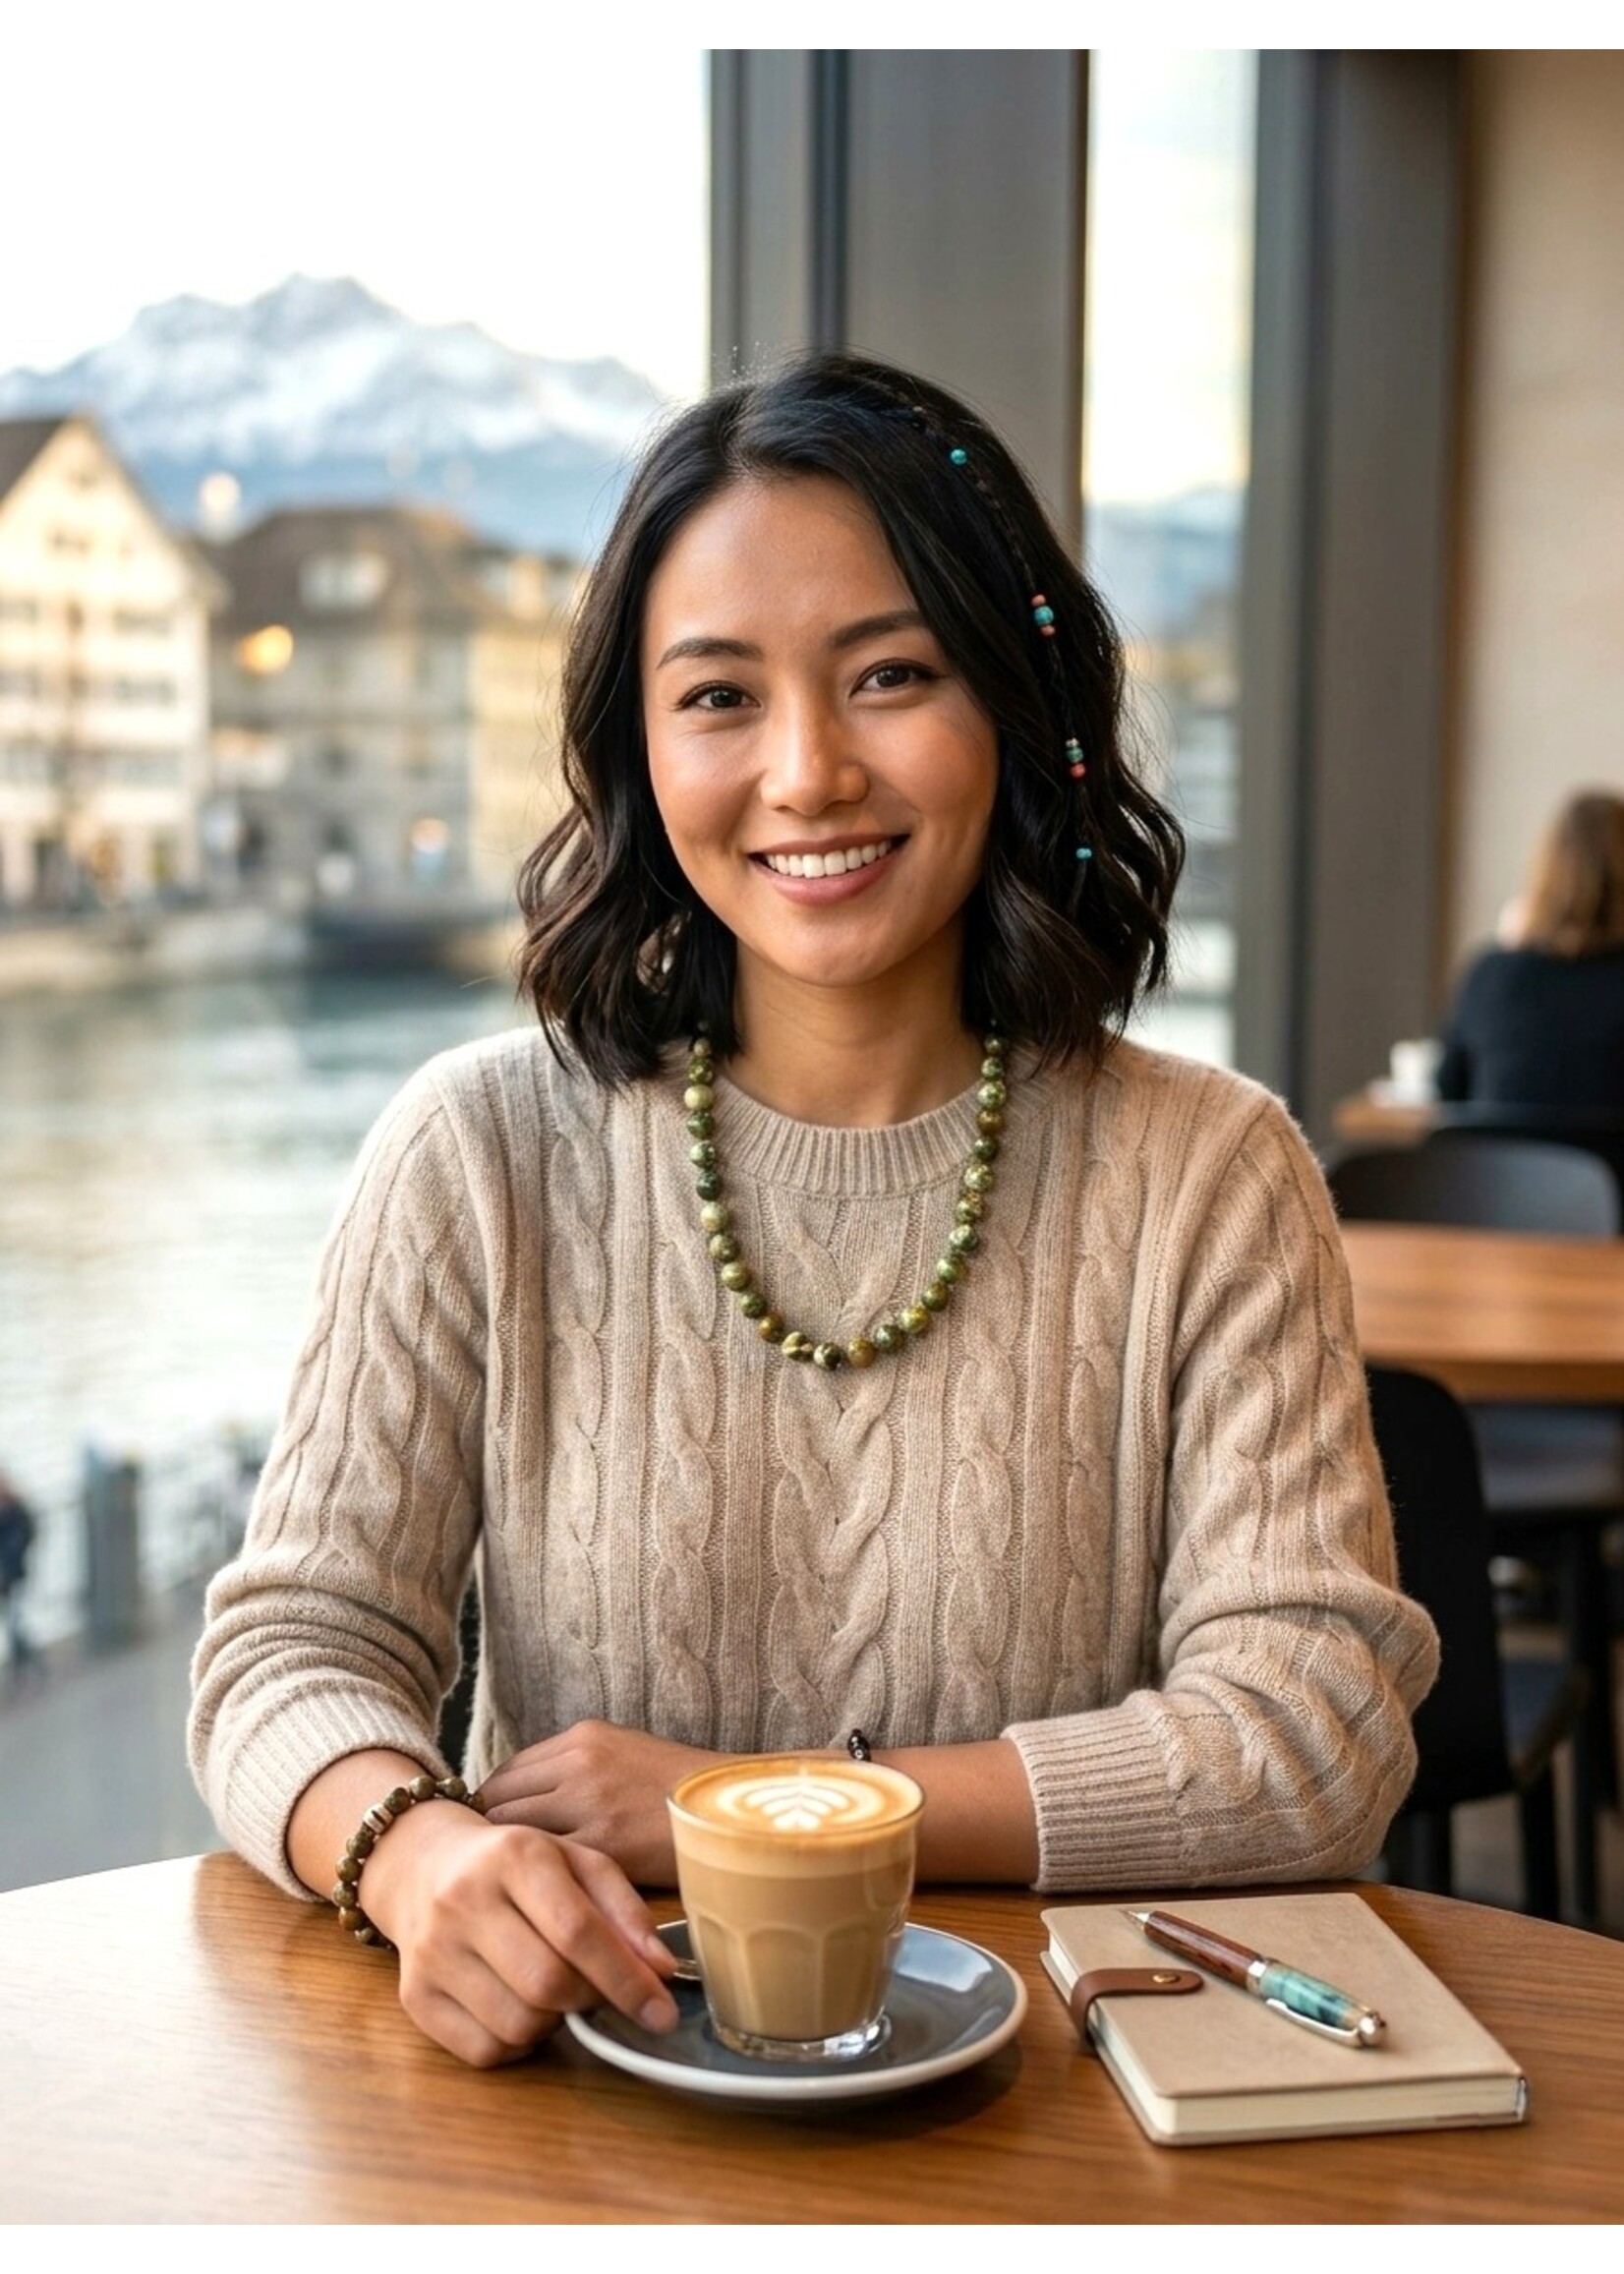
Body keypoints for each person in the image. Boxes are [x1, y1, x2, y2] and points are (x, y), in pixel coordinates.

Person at [189, 351, 1438, 2070]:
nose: (806, 771)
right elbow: (286, 1650)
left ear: (1015, 701)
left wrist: (748, 1803)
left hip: (1046, 2124)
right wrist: (418, 1850)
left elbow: (1310, 1733)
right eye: (717, 696)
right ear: (636, 742)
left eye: (890, 674)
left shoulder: (1213, 1173)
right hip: (567, 2107)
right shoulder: (473, 1149)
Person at [1435, 788, 1624, 1110]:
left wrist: (1509, 954)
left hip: (1494, 1161)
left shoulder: (1491, 973)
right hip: (1607, 1161)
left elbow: (1448, 1089)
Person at [0, 1470, 39, 1677]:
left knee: (15, 1623)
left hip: (16, 1574)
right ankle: (26, 1663)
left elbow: (29, 1533)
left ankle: (27, 1663)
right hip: (6, 1577)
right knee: (14, 1623)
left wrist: (15, 1553)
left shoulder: (16, 1509)